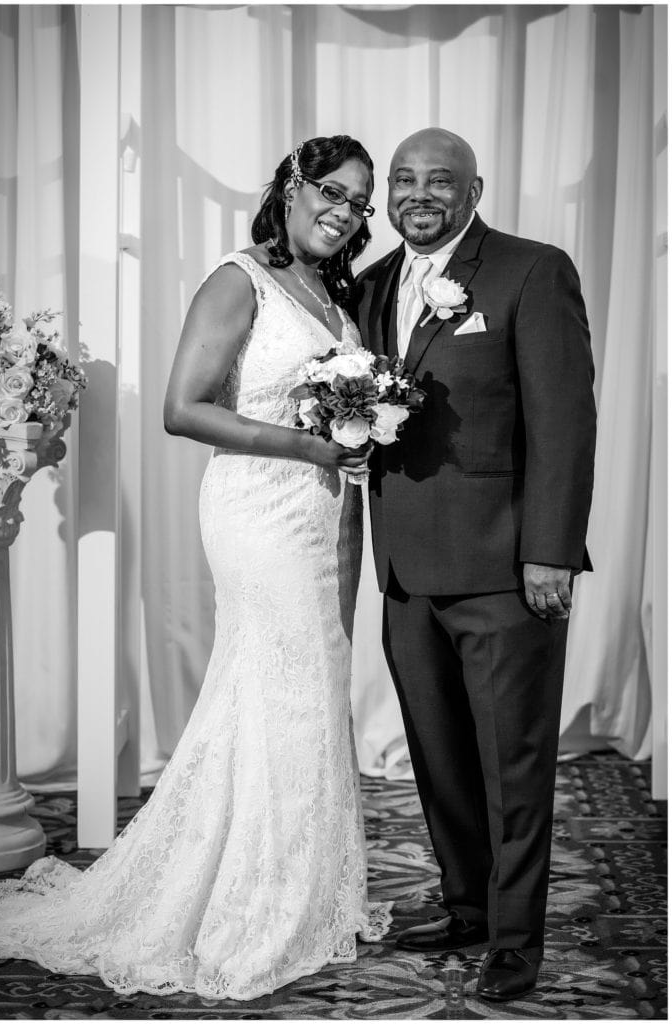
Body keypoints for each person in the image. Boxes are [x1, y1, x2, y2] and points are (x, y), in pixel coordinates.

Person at [0, 135, 391, 1000]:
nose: (345, 211)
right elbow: (182, 409)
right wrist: (310, 444)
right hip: (258, 509)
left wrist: (347, 447)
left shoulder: (328, 291)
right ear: (290, 186)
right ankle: (259, 900)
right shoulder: (237, 279)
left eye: (360, 203)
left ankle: (294, 881)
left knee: (298, 688)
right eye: (332, 189)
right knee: (283, 683)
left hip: (321, 515)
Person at [354, 128, 596, 1002]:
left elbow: (565, 421)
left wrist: (550, 554)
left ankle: (513, 941)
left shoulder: (532, 270)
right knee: (440, 757)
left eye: (440, 180)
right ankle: (463, 903)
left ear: (474, 188)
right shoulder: (373, 283)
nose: (419, 194)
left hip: (503, 568)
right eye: (405, 179)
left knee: (512, 766)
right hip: (406, 572)